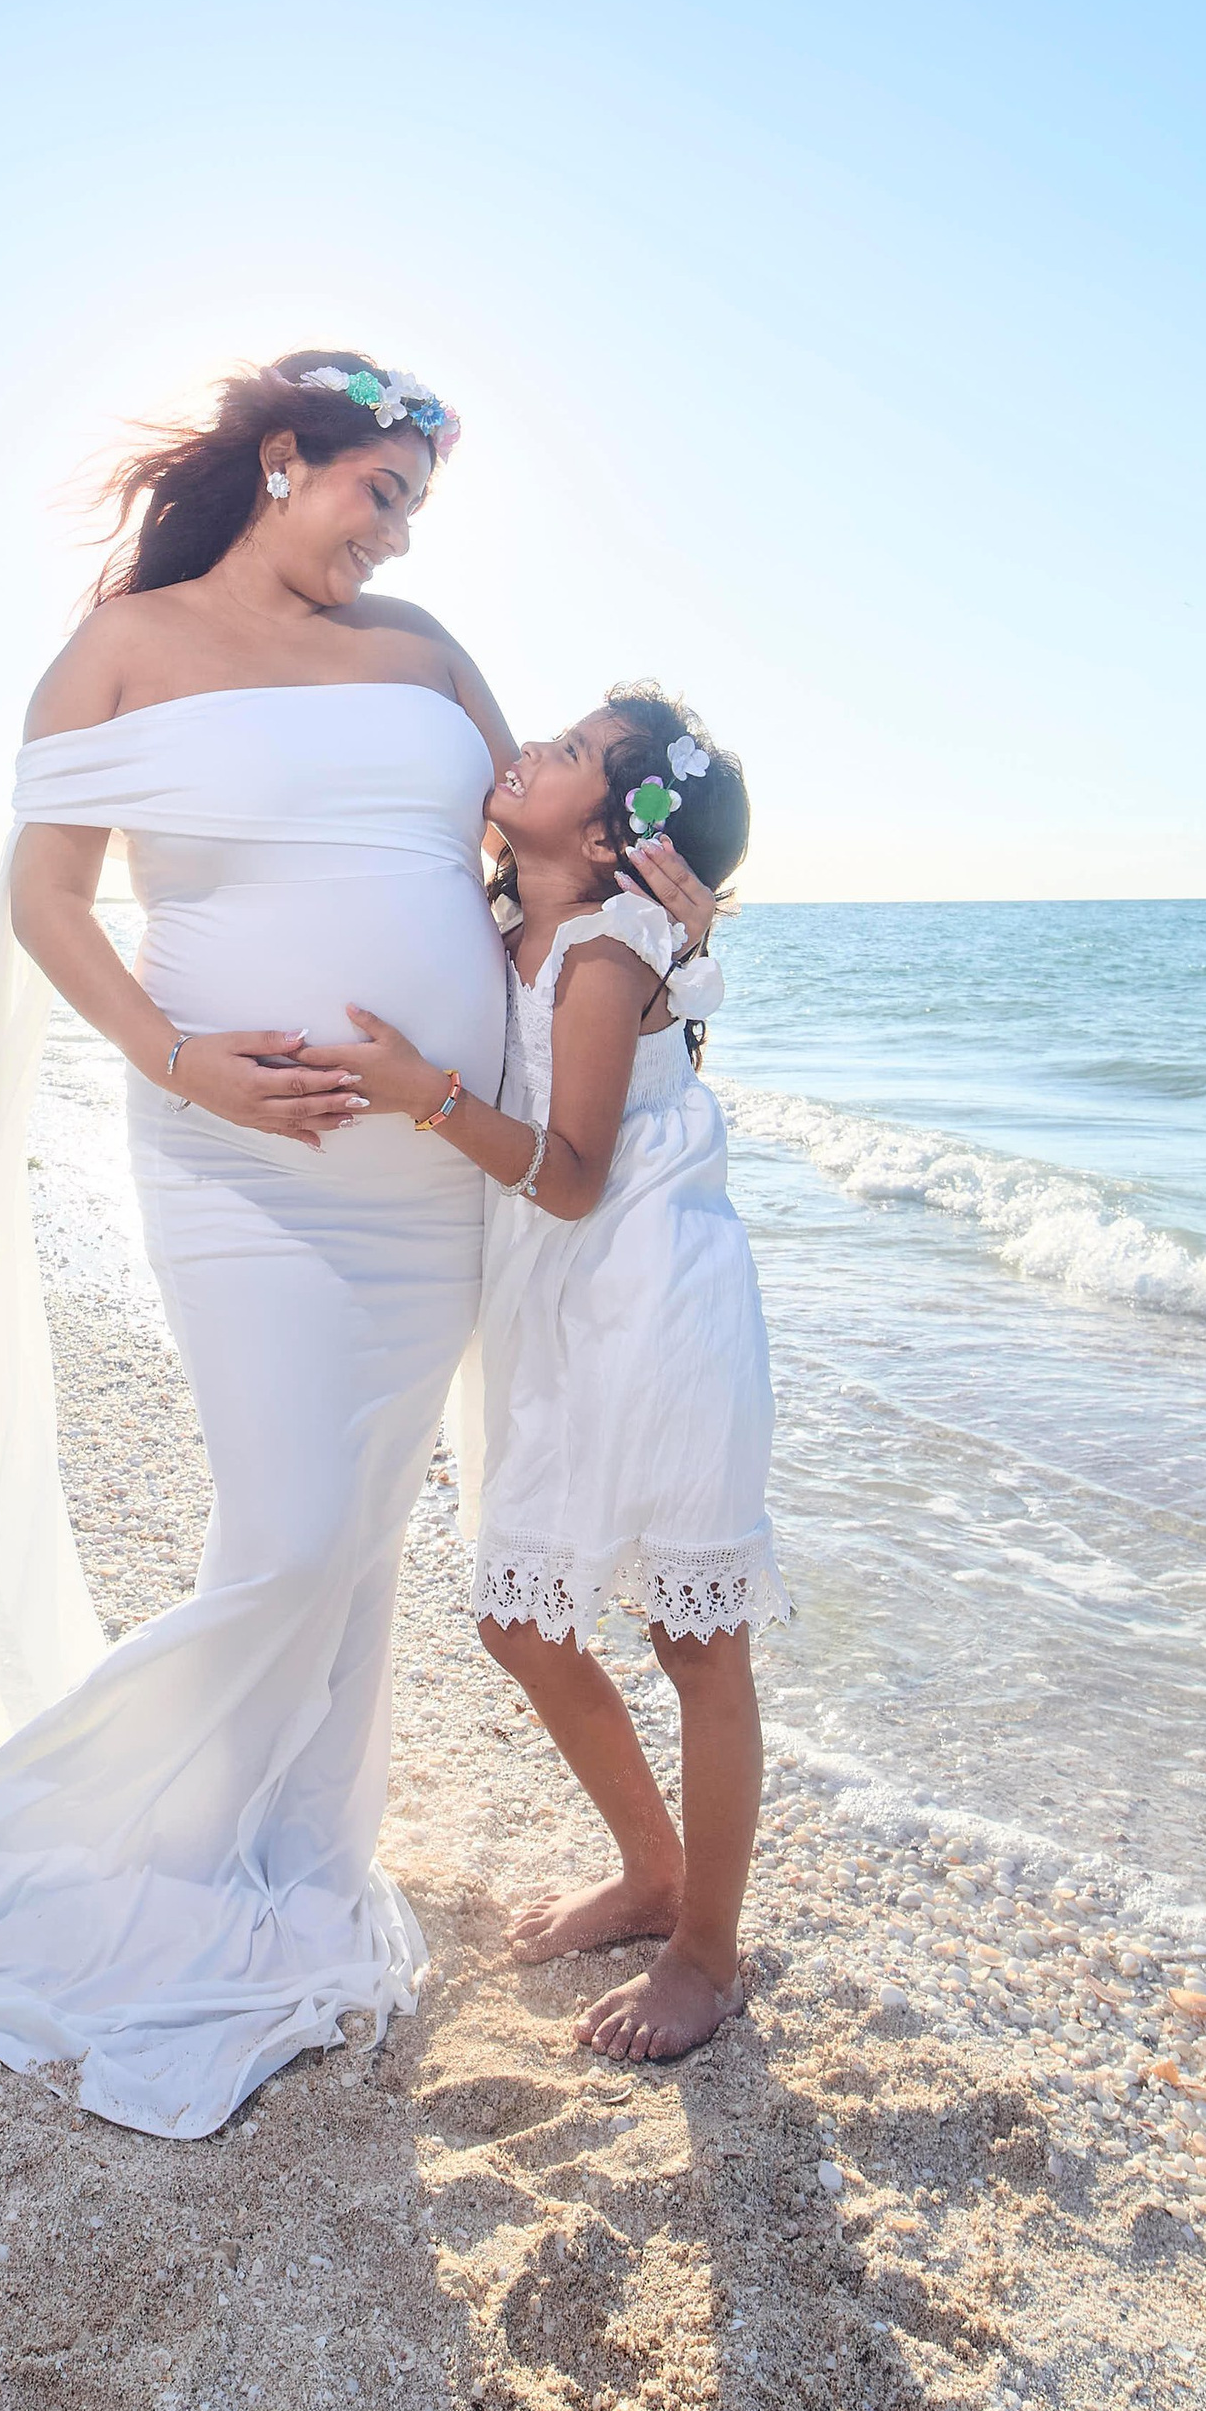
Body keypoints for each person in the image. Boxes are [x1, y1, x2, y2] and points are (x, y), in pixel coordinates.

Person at [0, 359, 716, 2137]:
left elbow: (539, 867)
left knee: (349, 1539)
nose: (397, 533)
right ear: (286, 460)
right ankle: (75, 1828)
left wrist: (659, 927)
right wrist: (180, 1054)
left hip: (430, 1162)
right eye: (380, 491)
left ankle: (280, 1855)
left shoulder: (424, 653)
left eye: (415, 506)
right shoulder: (117, 648)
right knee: (286, 1526)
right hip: (230, 1151)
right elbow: (46, 900)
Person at [305, 686, 783, 2063]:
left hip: (654, 1296)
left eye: (570, 750)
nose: (532, 747)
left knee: (698, 1640)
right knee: (523, 1621)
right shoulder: (520, 926)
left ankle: (706, 1951)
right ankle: (653, 1871)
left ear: (623, 829)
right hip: (556, 1307)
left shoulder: (606, 952)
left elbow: (570, 1179)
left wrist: (421, 1090)